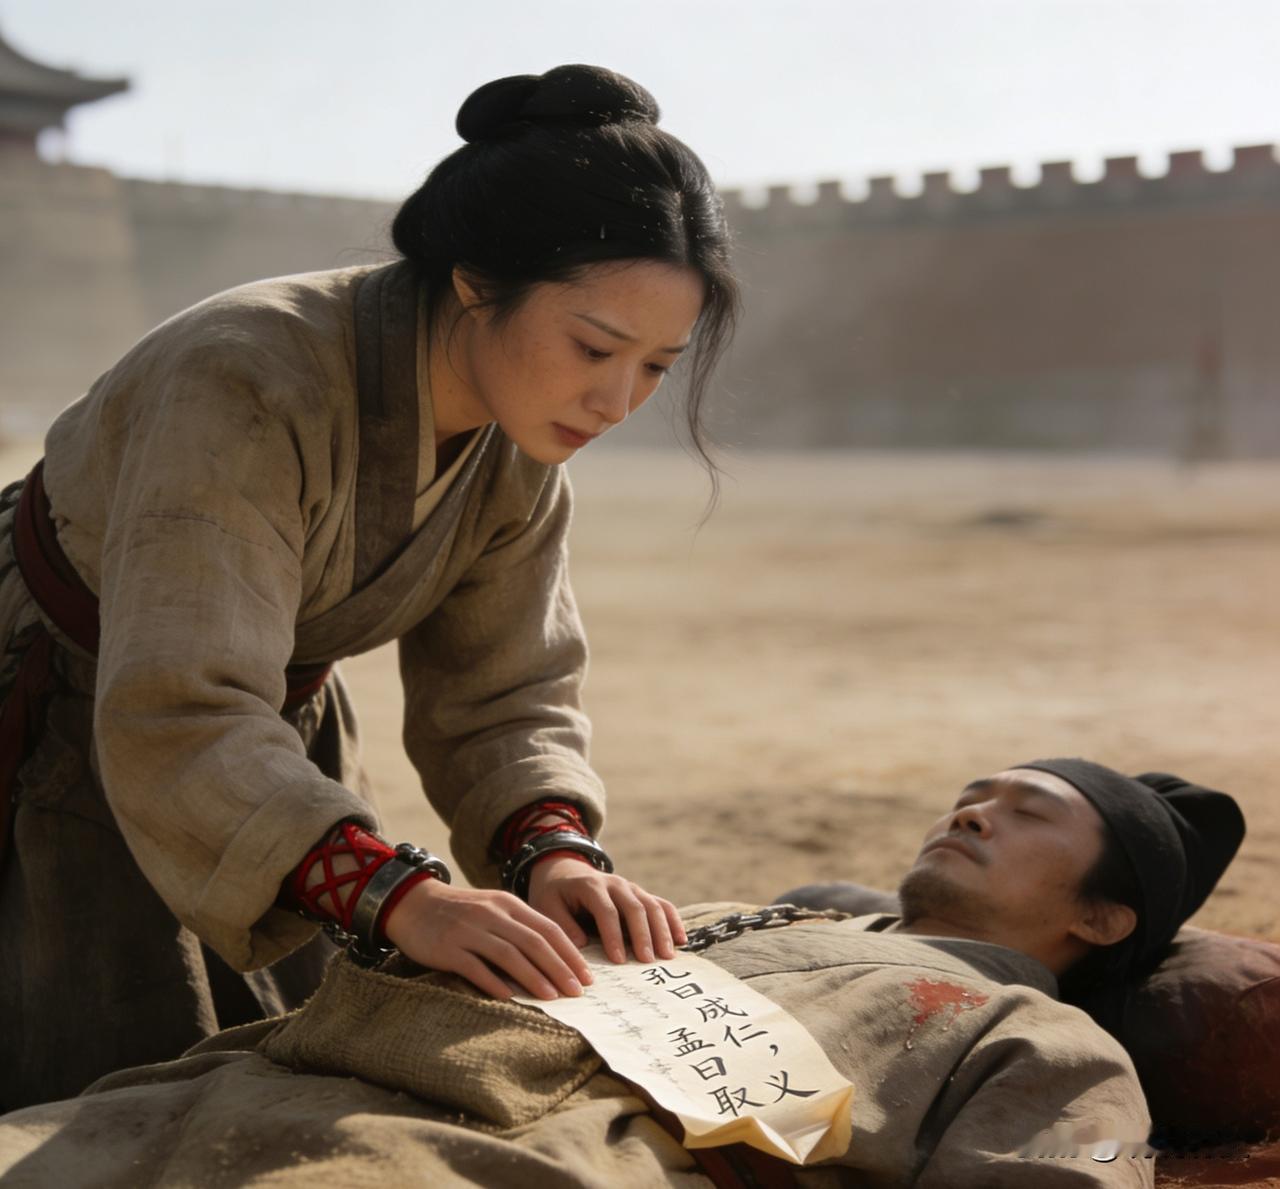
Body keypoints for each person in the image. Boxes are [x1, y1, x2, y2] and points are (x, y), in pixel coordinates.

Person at [0, 64, 740, 1110]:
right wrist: (399, 894)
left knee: (295, 1055)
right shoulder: (242, 376)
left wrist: (554, 856)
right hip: (61, 704)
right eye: (593, 347)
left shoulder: (519, 439)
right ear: (476, 283)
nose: (616, 400)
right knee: (90, 1082)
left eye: (656, 366)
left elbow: (503, 691)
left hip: (268, 740)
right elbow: (180, 699)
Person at [0, 758, 1245, 1187]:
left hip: (488, 1160)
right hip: (260, 1086)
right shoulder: (723, 917)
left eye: (1027, 813)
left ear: (1102, 915)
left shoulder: (1031, 1031)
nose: (971, 811)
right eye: (973, 792)